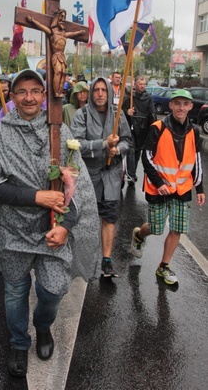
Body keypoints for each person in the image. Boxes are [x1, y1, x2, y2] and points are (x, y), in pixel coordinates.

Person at [0, 69, 99, 378]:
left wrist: (66, 225)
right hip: (12, 232)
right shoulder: (0, 134)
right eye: (22, 91)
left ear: (44, 95)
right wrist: (37, 197)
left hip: (52, 231)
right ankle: (19, 342)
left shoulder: (59, 132)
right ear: (12, 97)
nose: (29, 97)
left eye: (36, 90)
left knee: (54, 289)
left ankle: (43, 325)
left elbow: (80, 187)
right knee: (15, 291)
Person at [131, 89, 205, 285]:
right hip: (159, 188)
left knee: (177, 228)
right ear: (170, 105)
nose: (181, 107)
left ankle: (163, 266)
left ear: (190, 107)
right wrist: (160, 183)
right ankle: (139, 235)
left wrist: (200, 189)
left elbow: (196, 161)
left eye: (185, 104)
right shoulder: (157, 127)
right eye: (177, 103)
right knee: (155, 228)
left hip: (182, 188)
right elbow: (146, 159)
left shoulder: (194, 131)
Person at [71, 77, 131, 278]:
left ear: (109, 93)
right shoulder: (82, 114)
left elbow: (127, 141)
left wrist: (118, 150)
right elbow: (76, 144)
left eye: (103, 90)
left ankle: (106, 261)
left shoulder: (118, 114)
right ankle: (81, 258)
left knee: (109, 217)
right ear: (90, 93)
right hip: (89, 174)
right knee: (85, 219)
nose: (99, 93)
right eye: (96, 90)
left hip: (111, 174)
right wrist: (103, 144)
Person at [26, 9, 84, 98]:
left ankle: (60, 91)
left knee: (63, 74)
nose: (63, 19)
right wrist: (33, 21)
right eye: (61, 17)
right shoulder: (52, 32)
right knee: (58, 72)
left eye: (64, 17)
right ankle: (56, 91)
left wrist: (80, 32)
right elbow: (41, 26)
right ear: (57, 18)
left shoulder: (64, 34)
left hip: (62, 56)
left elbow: (73, 33)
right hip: (56, 55)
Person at [122, 75, 156, 185]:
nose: (142, 86)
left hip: (143, 129)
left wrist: (153, 128)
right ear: (135, 84)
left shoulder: (148, 98)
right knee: (131, 150)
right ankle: (131, 174)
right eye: (140, 84)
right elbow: (121, 111)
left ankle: (133, 171)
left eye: (144, 84)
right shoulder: (130, 97)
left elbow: (152, 113)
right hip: (131, 126)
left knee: (137, 151)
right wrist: (128, 112)